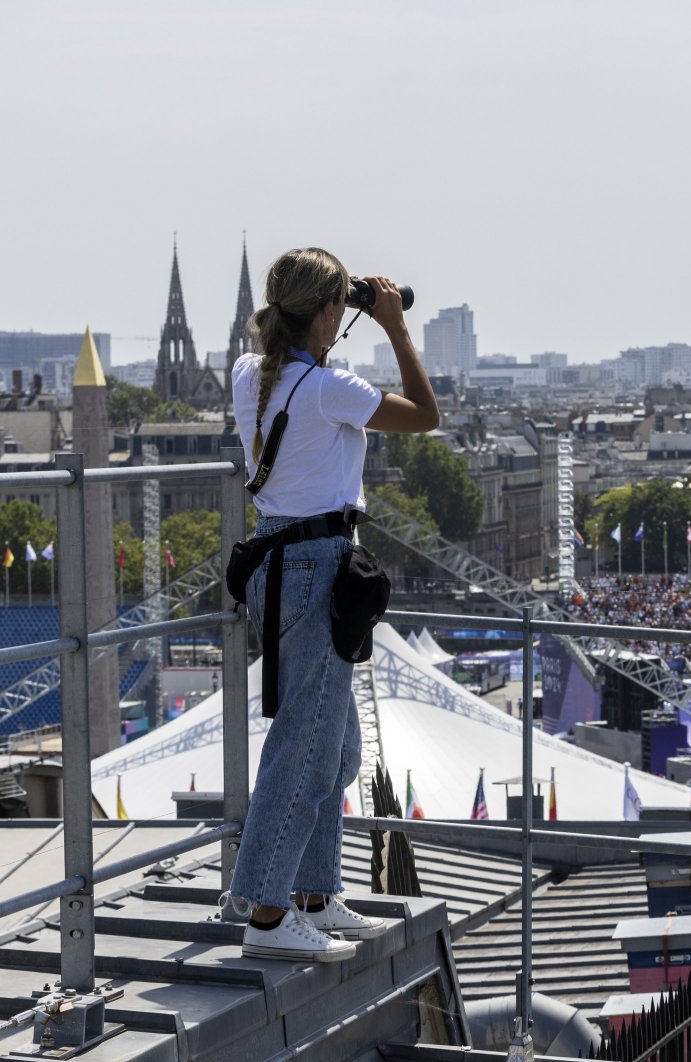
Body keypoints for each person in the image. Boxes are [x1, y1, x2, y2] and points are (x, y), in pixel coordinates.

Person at [222, 248, 438, 963]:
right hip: (317, 565)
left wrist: (347, 312)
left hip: (278, 560)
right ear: (325, 313)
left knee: (337, 744)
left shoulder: (249, 373)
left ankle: (314, 894)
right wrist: (395, 326)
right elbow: (425, 416)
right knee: (303, 750)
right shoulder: (328, 387)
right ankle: (266, 913)